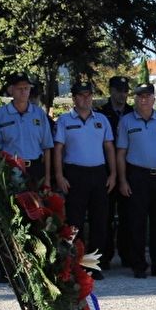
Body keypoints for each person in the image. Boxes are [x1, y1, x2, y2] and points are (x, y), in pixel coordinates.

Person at [53, 82, 116, 280]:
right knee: (75, 223)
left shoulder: (102, 120)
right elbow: (58, 150)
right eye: (81, 95)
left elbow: (109, 148)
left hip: (98, 173)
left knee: (99, 222)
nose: (86, 99)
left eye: (88, 95)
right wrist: (59, 175)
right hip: (75, 174)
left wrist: (113, 174)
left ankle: (92, 266)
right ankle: (74, 266)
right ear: (74, 98)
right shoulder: (64, 120)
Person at [115, 83, 156, 279]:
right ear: (135, 99)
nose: (143, 100)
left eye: (147, 96)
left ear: (153, 99)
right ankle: (139, 265)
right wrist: (122, 180)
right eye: (140, 96)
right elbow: (121, 153)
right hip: (136, 177)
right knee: (137, 223)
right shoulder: (126, 121)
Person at [0, 72, 54, 188]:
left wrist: (47, 180)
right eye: (19, 88)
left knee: (37, 200)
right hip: (11, 169)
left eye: (26, 88)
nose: (23, 92)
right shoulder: (0, 114)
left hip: (35, 169)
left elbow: (47, 147)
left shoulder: (39, 113)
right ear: (11, 90)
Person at [98, 76, 133, 270]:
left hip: (129, 171)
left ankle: (127, 255)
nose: (122, 94)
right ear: (110, 90)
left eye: (125, 91)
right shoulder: (101, 114)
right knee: (106, 216)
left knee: (129, 216)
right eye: (119, 90)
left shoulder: (133, 113)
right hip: (106, 171)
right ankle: (105, 256)